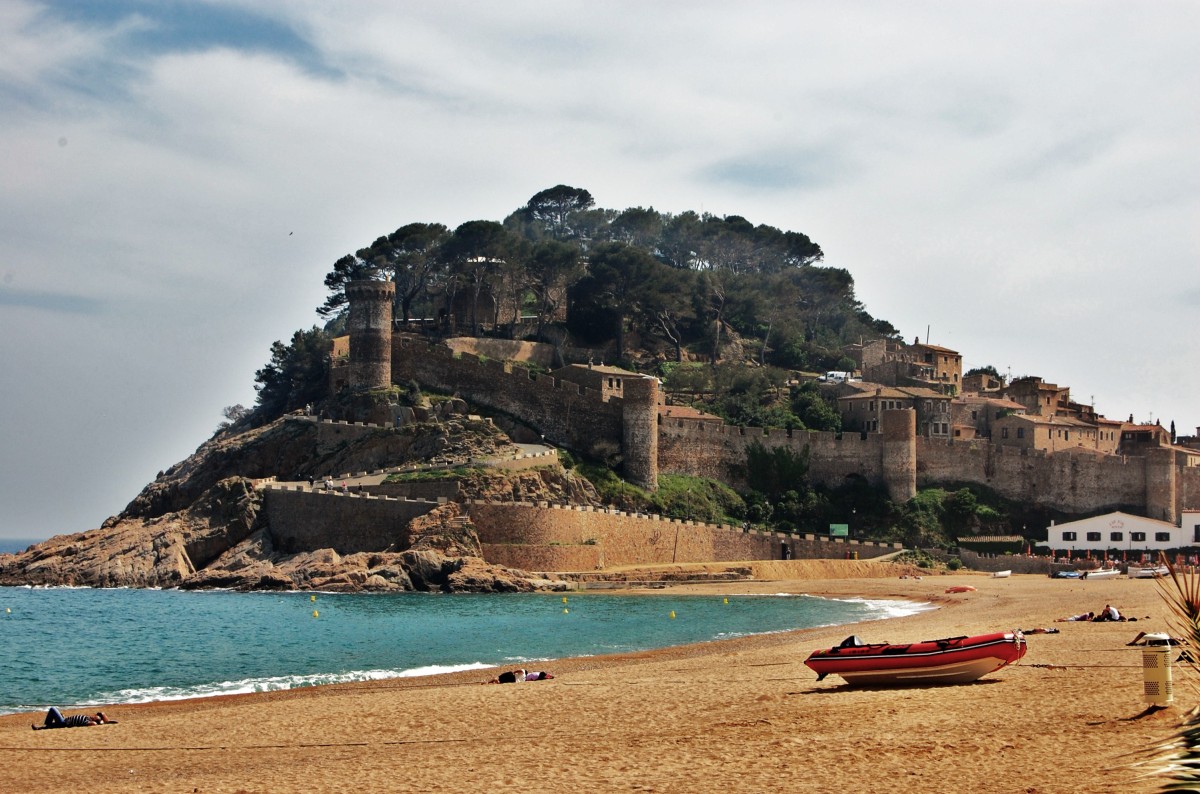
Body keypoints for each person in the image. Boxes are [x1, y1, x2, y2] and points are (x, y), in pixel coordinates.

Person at [33, 707, 115, 730]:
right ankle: (45, 726)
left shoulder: (88, 721)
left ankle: (45, 726)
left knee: (52, 709)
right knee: (59, 714)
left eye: (95, 717)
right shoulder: (87, 718)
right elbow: (102, 714)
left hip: (63, 723)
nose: (94, 715)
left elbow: (95, 724)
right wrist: (101, 717)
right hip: (64, 720)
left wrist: (100, 722)